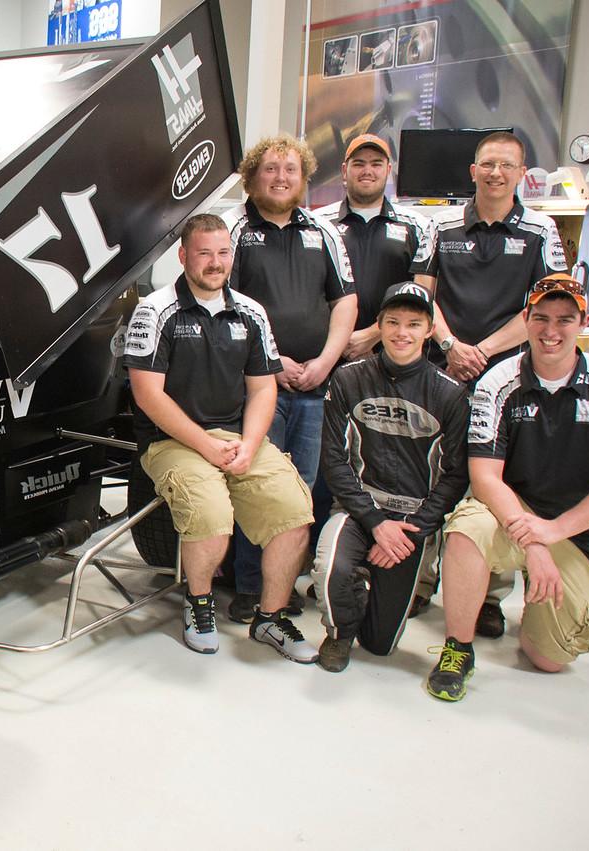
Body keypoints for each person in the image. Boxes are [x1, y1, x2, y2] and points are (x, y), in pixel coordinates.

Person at [427, 273, 589, 701]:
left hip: (579, 531)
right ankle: (458, 647)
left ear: (582, 323)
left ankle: (557, 609)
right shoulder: (498, 382)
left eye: (565, 320)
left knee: (546, 658)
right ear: (526, 319)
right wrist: (533, 539)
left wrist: (554, 532)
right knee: (465, 531)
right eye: (541, 318)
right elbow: (486, 476)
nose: (551, 331)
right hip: (513, 512)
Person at [126, 213, 316, 662]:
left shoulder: (251, 312)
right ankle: (200, 604)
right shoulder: (155, 310)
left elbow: (263, 387)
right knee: (211, 514)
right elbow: (147, 395)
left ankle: (270, 618)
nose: (215, 263)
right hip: (171, 441)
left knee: (293, 514)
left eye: (223, 253)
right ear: (184, 256)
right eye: (204, 253)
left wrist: (250, 444)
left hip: (238, 438)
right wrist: (206, 445)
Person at [414, 130, 568, 631]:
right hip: (442, 368)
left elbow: (546, 307)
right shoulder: (441, 225)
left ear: (522, 173)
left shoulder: (541, 231)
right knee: (429, 473)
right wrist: (450, 346)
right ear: (472, 171)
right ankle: (417, 578)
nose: (496, 173)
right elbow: (423, 295)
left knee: (497, 481)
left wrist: (484, 351)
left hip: (507, 378)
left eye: (507, 165)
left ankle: (488, 597)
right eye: (487, 164)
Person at [226, 134, 356, 624]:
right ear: (252, 176)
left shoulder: (323, 231)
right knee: (255, 484)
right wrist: (273, 361)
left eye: (290, 170)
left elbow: (345, 300)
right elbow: (227, 304)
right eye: (270, 169)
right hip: (259, 384)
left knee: (303, 489)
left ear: (304, 179)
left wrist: (326, 359)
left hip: (318, 384)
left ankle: (282, 585)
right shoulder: (236, 232)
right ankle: (249, 585)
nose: (280, 178)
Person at [311, 282, 468, 672]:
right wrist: (376, 523)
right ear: (378, 325)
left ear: (430, 330)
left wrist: (412, 528)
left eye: (414, 324)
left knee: (380, 646)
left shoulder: (450, 394)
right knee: (330, 570)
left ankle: (369, 596)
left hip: (411, 524)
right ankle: (340, 632)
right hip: (358, 510)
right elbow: (333, 460)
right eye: (393, 322)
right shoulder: (347, 379)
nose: (402, 333)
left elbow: (456, 475)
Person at [313, 134, 435, 362]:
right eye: (358, 163)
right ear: (344, 170)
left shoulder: (417, 225)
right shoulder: (318, 223)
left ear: (388, 169)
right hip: (327, 356)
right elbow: (310, 289)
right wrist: (340, 341)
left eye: (376, 164)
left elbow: (422, 293)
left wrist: (373, 335)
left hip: (393, 354)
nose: (367, 170)